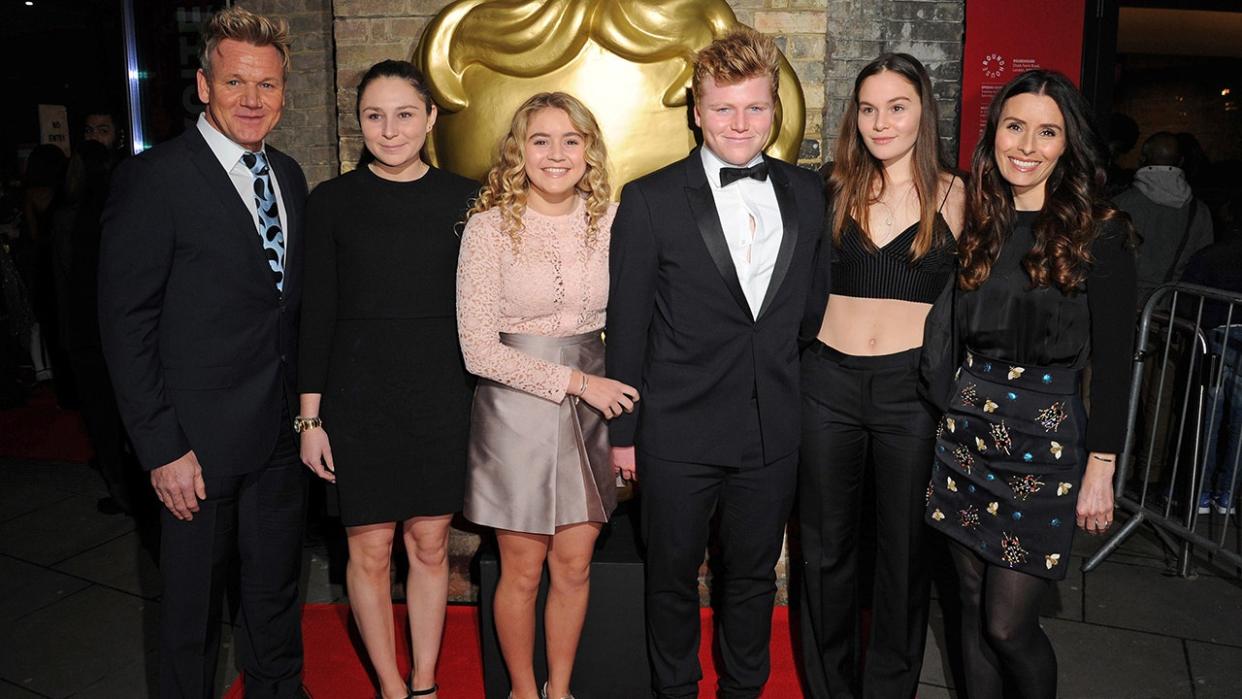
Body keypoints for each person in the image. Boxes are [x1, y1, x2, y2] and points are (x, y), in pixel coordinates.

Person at [607, 28, 826, 698]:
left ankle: (742, 689)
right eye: (724, 108)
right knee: (670, 575)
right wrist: (623, 436)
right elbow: (629, 323)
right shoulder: (650, 198)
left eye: (755, 108)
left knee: (753, 577)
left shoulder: (809, 193)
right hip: (674, 430)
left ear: (774, 113)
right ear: (697, 112)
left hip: (770, 431)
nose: (740, 123)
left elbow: (809, 311)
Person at [97, 7, 309, 697]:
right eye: (236, 82)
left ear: (283, 93)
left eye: (268, 85)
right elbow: (125, 323)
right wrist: (160, 447)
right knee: (191, 617)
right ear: (202, 84)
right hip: (194, 448)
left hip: (278, 436)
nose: (252, 99)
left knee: (276, 596)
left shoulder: (290, 175)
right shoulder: (154, 179)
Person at [924, 70, 1136, 699]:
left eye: (1048, 132)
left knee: (1008, 625)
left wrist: (1101, 467)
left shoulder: (1101, 232)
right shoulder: (979, 223)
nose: (1028, 145)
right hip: (966, 435)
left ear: (1067, 144)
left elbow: (1119, 362)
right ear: (994, 136)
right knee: (966, 603)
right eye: (1015, 127)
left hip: (1045, 449)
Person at [298, 59, 476, 699]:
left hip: (438, 395)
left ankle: (425, 681)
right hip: (357, 400)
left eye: (405, 114)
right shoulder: (331, 202)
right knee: (368, 553)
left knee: (430, 546)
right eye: (375, 116)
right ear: (360, 124)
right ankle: (390, 686)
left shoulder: (466, 199)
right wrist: (311, 419)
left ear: (430, 119)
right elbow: (316, 314)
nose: (390, 130)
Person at [457, 91, 635, 699]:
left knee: (575, 565)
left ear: (589, 149)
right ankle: (523, 690)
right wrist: (577, 383)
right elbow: (478, 351)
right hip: (514, 410)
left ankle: (559, 689)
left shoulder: (613, 221)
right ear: (518, 151)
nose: (556, 154)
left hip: (595, 410)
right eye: (540, 140)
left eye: (570, 140)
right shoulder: (486, 228)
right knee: (523, 569)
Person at [798, 53, 964, 699]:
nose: (880, 122)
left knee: (902, 555)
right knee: (824, 549)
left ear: (923, 110)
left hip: (910, 395)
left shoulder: (959, 194)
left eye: (896, 107)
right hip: (827, 384)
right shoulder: (829, 187)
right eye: (867, 109)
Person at [1114, 131, 1213, 307]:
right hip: (1171, 309)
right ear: (1181, 161)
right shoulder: (1200, 212)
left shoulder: (1120, 205)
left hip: (1121, 303)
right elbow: (1203, 263)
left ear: (1142, 159)